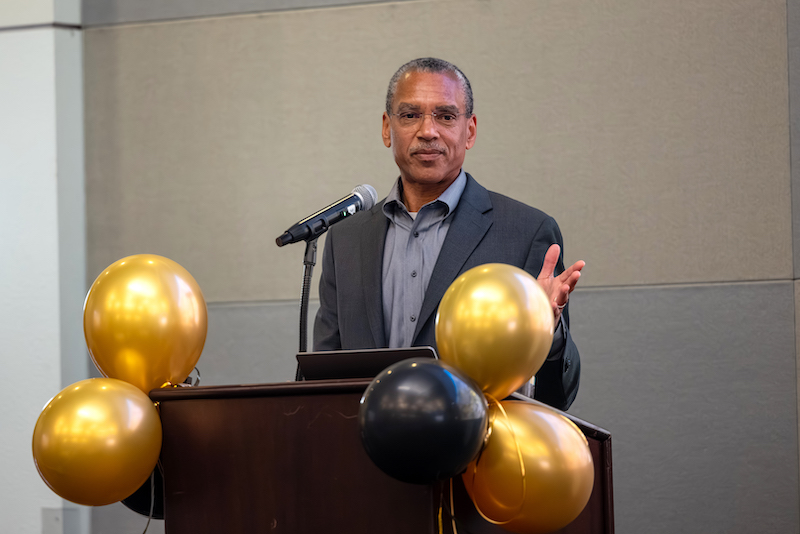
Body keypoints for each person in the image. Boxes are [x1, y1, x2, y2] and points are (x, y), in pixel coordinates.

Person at [313, 58, 584, 410]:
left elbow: (557, 396)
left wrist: (548, 334)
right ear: (387, 128)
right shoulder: (345, 240)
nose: (428, 131)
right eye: (410, 115)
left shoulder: (526, 233)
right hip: (364, 441)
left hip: (477, 443)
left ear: (469, 131)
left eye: (445, 116)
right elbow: (323, 380)